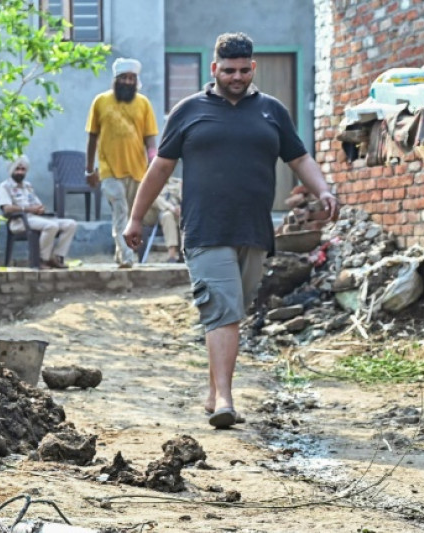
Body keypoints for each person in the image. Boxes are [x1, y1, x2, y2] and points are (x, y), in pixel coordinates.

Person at [123, 32, 339, 428]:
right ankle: (225, 397)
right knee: (221, 305)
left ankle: (212, 391)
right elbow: (161, 167)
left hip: (254, 229)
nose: (236, 77)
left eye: (243, 70)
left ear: (252, 68)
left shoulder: (272, 111)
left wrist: (323, 189)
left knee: (230, 312)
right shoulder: (189, 111)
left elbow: (299, 157)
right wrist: (135, 217)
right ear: (214, 69)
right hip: (206, 228)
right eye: (228, 70)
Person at [85, 57, 159, 268]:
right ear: (116, 79)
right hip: (109, 169)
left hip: (137, 170)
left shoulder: (144, 104)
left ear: (137, 81)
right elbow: (92, 137)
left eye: (131, 78)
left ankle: (121, 253)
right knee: (121, 210)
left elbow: (150, 137)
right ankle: (128, 258)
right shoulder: (100, 101)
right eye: (124, 78)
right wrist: (89, 169)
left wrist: (153, 160)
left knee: (133, 215)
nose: (127, 82)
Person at [0, 155, 77, 269]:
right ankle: (41, 259)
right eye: (17, 169)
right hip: (19, 222)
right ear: (11, 169)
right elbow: (6, 208)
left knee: (70, 224)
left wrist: (41, 209)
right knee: (51, 226)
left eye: (23, 169)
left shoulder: (28, 186)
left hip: (37, 219)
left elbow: (36, 204)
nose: (20, 172)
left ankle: (55, 257)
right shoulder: (4, 186)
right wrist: (28, 209)